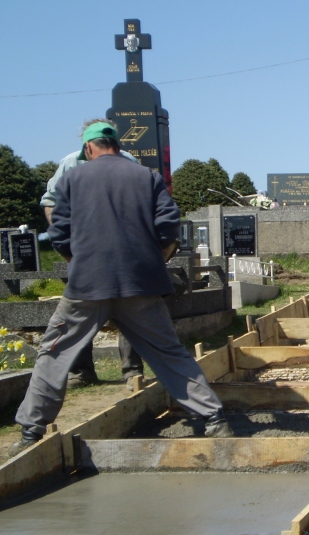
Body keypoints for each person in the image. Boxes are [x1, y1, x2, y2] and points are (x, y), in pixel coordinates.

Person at [9, 122, 232, 457]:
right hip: (140, 283)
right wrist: (155, 260)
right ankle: (214, 418)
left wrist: (75, 261)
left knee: (53, 353)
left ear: (88, 149)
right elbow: (168, 226)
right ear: (116, 145)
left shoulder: (73, 178)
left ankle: (30, 432)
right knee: (168, 352)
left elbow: (59, 231)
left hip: (86, 285)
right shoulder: (147, 177)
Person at [40, 119, 161, 391]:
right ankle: (81, 371)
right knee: (79, 315)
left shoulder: (128, 161)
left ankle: (131, 371)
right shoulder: (70, 164)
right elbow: (50, 203)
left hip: (124, 251)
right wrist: (67, 246)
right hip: (84, 253)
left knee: (130, 309)